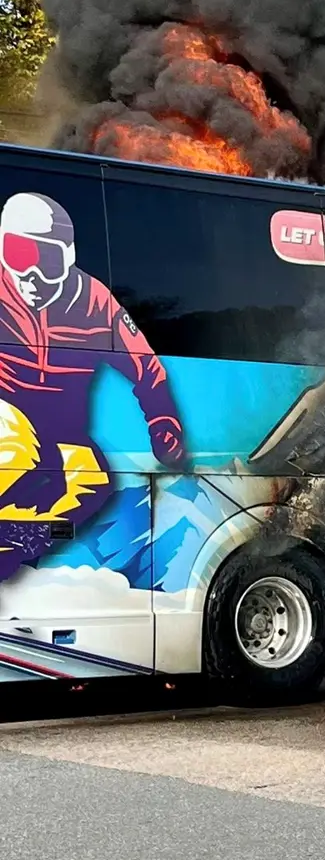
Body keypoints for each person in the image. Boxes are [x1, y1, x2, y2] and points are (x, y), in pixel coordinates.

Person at [0, 191, 186, 581]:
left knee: (92, 478)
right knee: (15, 441)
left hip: (61, 428)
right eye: (18, 254)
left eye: (46, 260)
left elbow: (144, 366)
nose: (31, 275)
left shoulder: (94, 302)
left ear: (66, 259)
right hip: (7, 414)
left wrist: (163, 421)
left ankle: (18, 541)